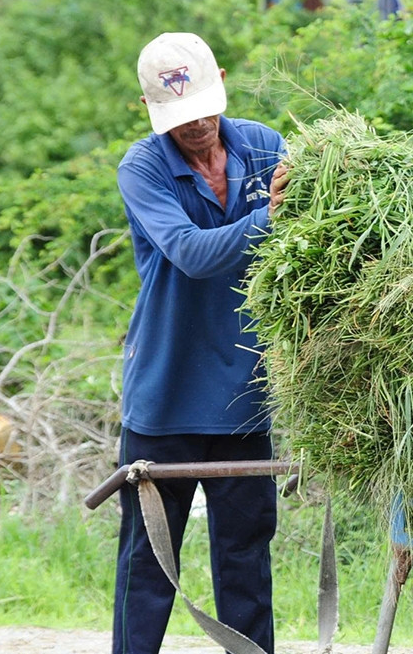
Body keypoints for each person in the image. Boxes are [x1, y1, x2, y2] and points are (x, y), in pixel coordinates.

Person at [113, 32, 290, 654]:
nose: (196, 124)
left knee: (246, 557)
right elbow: (190, 253)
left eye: (204, 108)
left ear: (221, 83)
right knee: (149, 566)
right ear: (150, 107)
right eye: (179, 115)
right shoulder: (142, 167)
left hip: (244, 394)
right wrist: (270, 217)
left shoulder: (265, 146)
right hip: (166, 394)